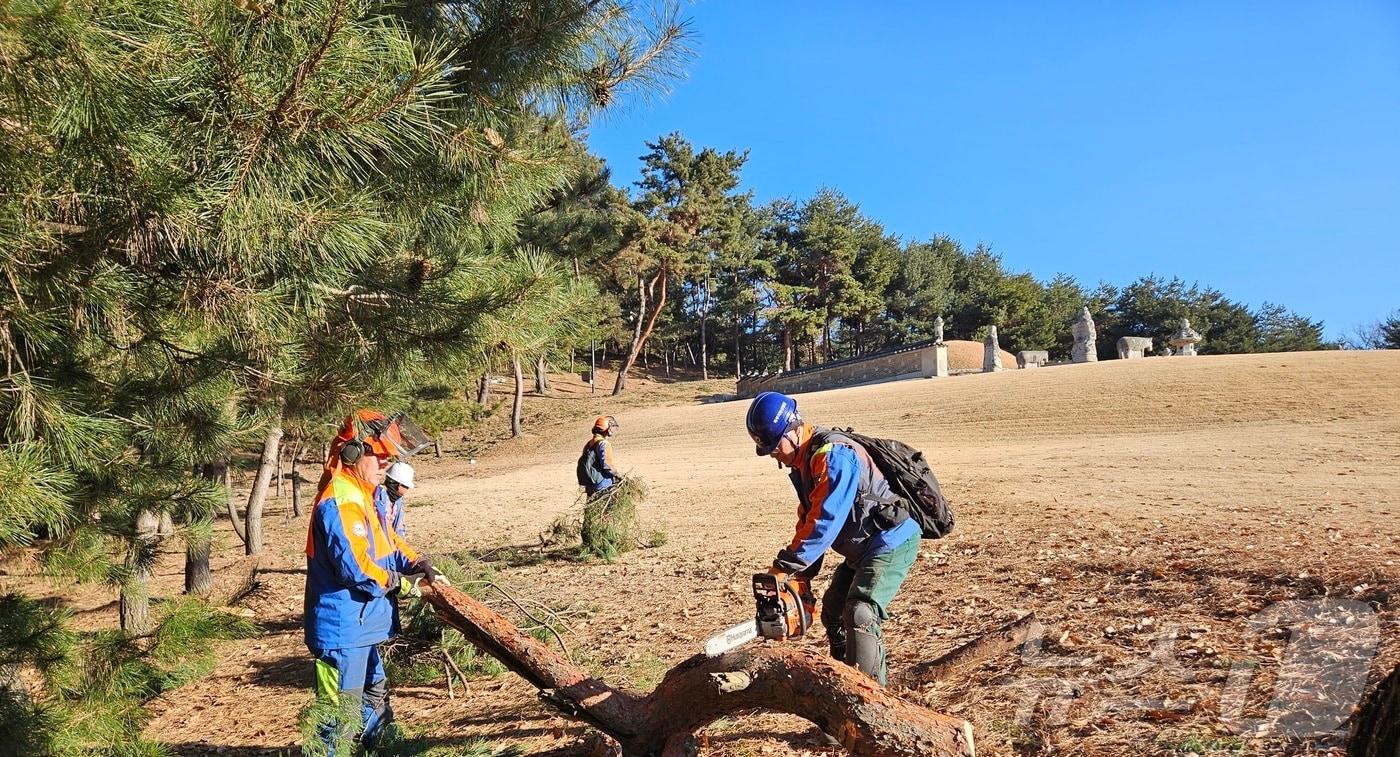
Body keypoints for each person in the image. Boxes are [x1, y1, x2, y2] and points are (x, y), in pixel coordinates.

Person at [745, 391, 920, 686]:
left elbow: (826, 521)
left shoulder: (833, 456)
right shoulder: (806, 463)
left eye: (775, 447)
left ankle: (870, 698)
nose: (773, 454)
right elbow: (809, 520)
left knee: (860, 611)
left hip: (890, 540)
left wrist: (785, 566)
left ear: (793, 430)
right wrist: (800, 576)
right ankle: (843, 682)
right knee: (834, 611)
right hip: (863, 548)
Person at [304, 409, 444, 750]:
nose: (386, 463)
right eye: (379, 455)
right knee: (338, 717)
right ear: (352, 453)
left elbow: (387, 543)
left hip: (363, 625)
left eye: (389, 457)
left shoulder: (365, 494)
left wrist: (417, 561)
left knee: (375, 699)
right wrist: (405, 583)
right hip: (342, 629)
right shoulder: (340, 502)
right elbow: (357, 569)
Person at [576, 415, 620, 497]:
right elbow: (607, 464)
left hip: (590, 485)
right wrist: (617, 475)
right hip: (602, 484)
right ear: (608, 429)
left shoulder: (589, 443)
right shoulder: (604, 443)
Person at [384, 461, 415, 538]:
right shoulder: (379, 501)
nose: (407, 490)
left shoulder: (398, 502)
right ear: (399, 486)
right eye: (407, 487)